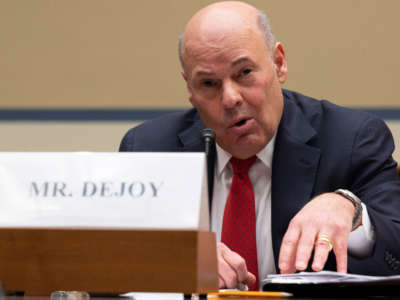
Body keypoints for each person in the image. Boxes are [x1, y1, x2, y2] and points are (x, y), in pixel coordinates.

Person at [120, 1, 400, 290]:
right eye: (208, 83)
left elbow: (396, 251)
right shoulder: (149, 149)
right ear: (189, 89)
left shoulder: (351, 139)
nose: (230, 98)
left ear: (279, 63)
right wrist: (176, 259)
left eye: (244, 73)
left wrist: (350, 209)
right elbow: (109, 262)